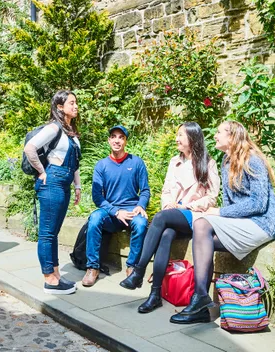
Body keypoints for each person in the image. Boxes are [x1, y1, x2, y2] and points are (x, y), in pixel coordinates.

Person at [170, 120, 275, 325]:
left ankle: (200, 298)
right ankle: (202, 303)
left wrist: (217, 211)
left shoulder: (253, 160)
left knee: (202, 224)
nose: (215, 135)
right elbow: (230, 202)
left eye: (219, 132)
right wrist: (217, 213)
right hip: (242, 224)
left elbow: (258, 203)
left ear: (232, 137)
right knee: (204, 236)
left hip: (262, 223)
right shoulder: (226, 161)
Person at [120, 122, 220, 314]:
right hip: (173, 214)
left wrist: (185, 206)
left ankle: (138, 271)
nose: (177, 139)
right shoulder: (175, 161)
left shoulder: (208, 162)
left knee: (160, 218)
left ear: (192, 138)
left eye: (181, 135)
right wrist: (168, 205)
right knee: (165, 234)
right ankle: (155, 294)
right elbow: (166, 190)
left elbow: (211, 197)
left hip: (195, 216)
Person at [24, 90, 82, 295]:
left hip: (64, 184)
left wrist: (77, 186)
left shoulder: (71, 132)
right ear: (60, 106)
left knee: (53, 232)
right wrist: (42, 171)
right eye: (72, 103)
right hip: (52, 183)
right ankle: (49, 279)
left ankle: (56, 274)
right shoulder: (53, 128)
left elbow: (75, 163)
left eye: (76, 103)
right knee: (47, 233)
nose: (76, 106)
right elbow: (30, 148)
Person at [82, 125, 149, 288]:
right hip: (110, 212)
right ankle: (92, 267)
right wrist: (115, 211)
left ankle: (131, 266)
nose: (117, 140)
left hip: (131, 210)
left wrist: (141, 205)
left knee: (141, 223)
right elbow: (97, 197)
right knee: (95, 218)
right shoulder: (101, 165)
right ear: (109, 140)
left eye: (121, 137)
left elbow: (145, 190)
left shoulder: (137, 162)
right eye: (113, 136)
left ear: (125, 141)